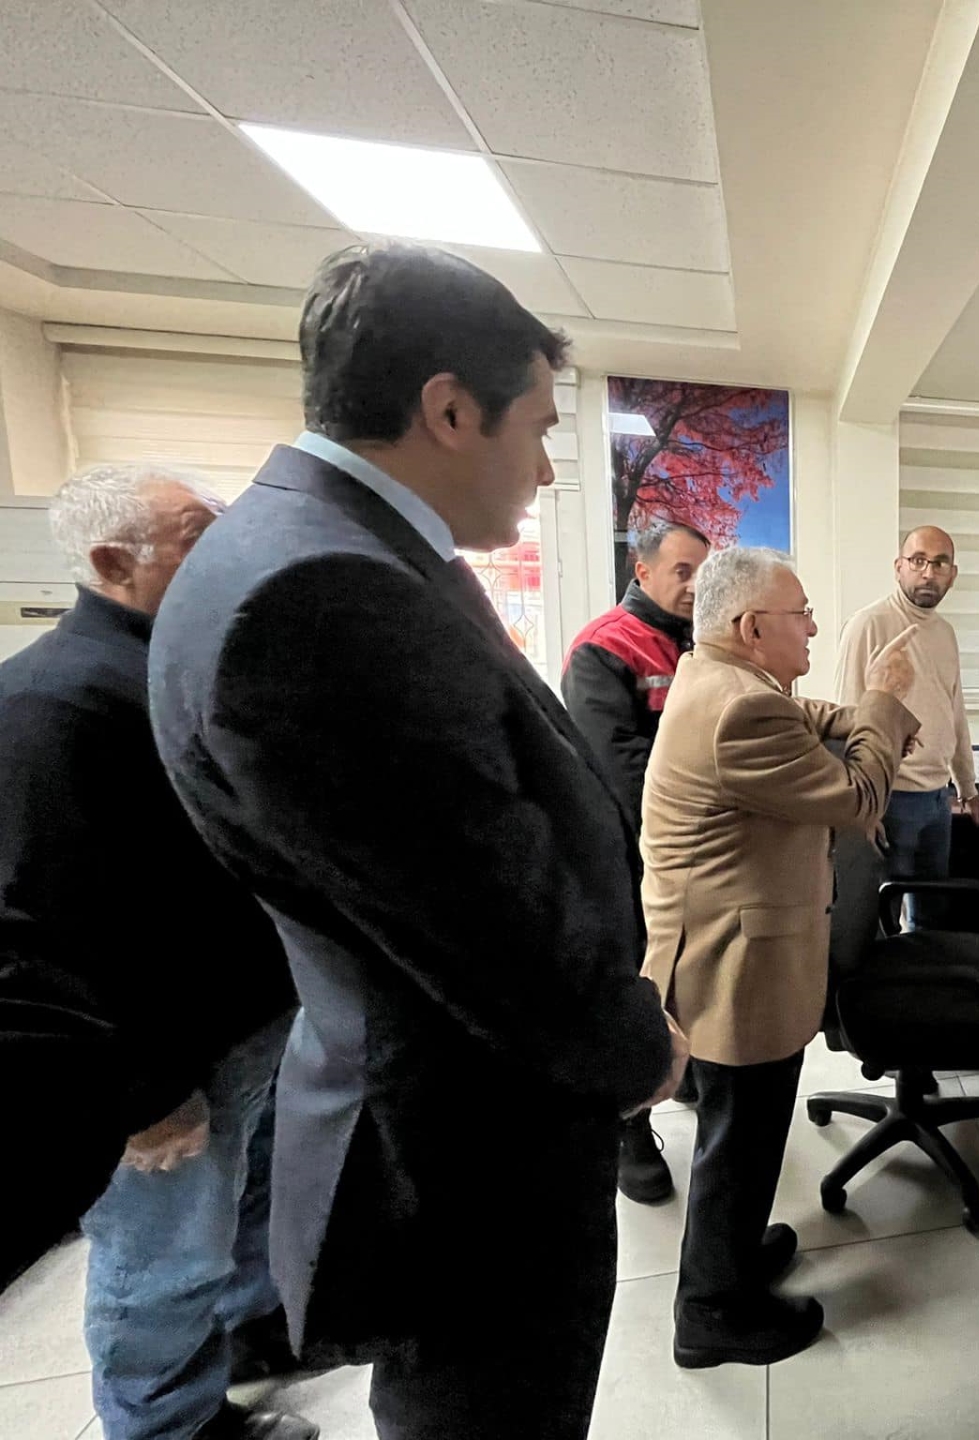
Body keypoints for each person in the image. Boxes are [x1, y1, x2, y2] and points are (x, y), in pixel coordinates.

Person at [148, 243, 685, 1440]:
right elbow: (483, 919)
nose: (545, 467)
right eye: (537, 428)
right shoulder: (319, 597)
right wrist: (635, 1044)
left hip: (448, 1109)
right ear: (449, 409)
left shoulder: (317, 549)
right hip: (469, 1146)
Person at [0, 465, 308, 1440]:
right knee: (163, 1260)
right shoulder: (52, 702)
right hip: (165, 1060)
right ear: (110, 560)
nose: (232, 550)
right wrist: (141, 1094)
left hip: (246, 1022)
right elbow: (33, 933)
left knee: (239, 1213)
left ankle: (250, 1338)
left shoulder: (181, 667)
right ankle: (167, 1424)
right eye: (197, 535)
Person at [641, 546, 920, 1367]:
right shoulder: (741, 711)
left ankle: (727, 1263)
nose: (814, 627)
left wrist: (858, 717)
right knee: (740, 1141)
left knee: (747, 1132)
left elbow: (811, 717)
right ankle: (710, 1314)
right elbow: (858, 800)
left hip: (727, 948)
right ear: (751, 626)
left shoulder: (728, 681)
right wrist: (884, 700)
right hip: (735, 964)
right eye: (801, 614)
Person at [561, 519, 710, 1204]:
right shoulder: (605, 646)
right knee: (636, 986)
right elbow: (619, 766)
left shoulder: (702, 645)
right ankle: (632, 1131)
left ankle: (689, 1072)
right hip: (627, 855)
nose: (695, 585)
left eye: (703, 572)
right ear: (642, 571)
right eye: (682, 570)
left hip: (693, 852)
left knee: (688, 976)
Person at [835, 525, 979, 899]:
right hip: (890, 800)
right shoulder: (868, 625)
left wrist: (968, 788)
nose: (928, 572)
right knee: (883, 915)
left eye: (939, 563)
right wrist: (862, 809)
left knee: (933, 911)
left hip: (939, 799)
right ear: (898, 567)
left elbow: (954, 713)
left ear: (953, 575)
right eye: (918, 561)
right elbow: (846, 718)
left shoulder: (945, 633)